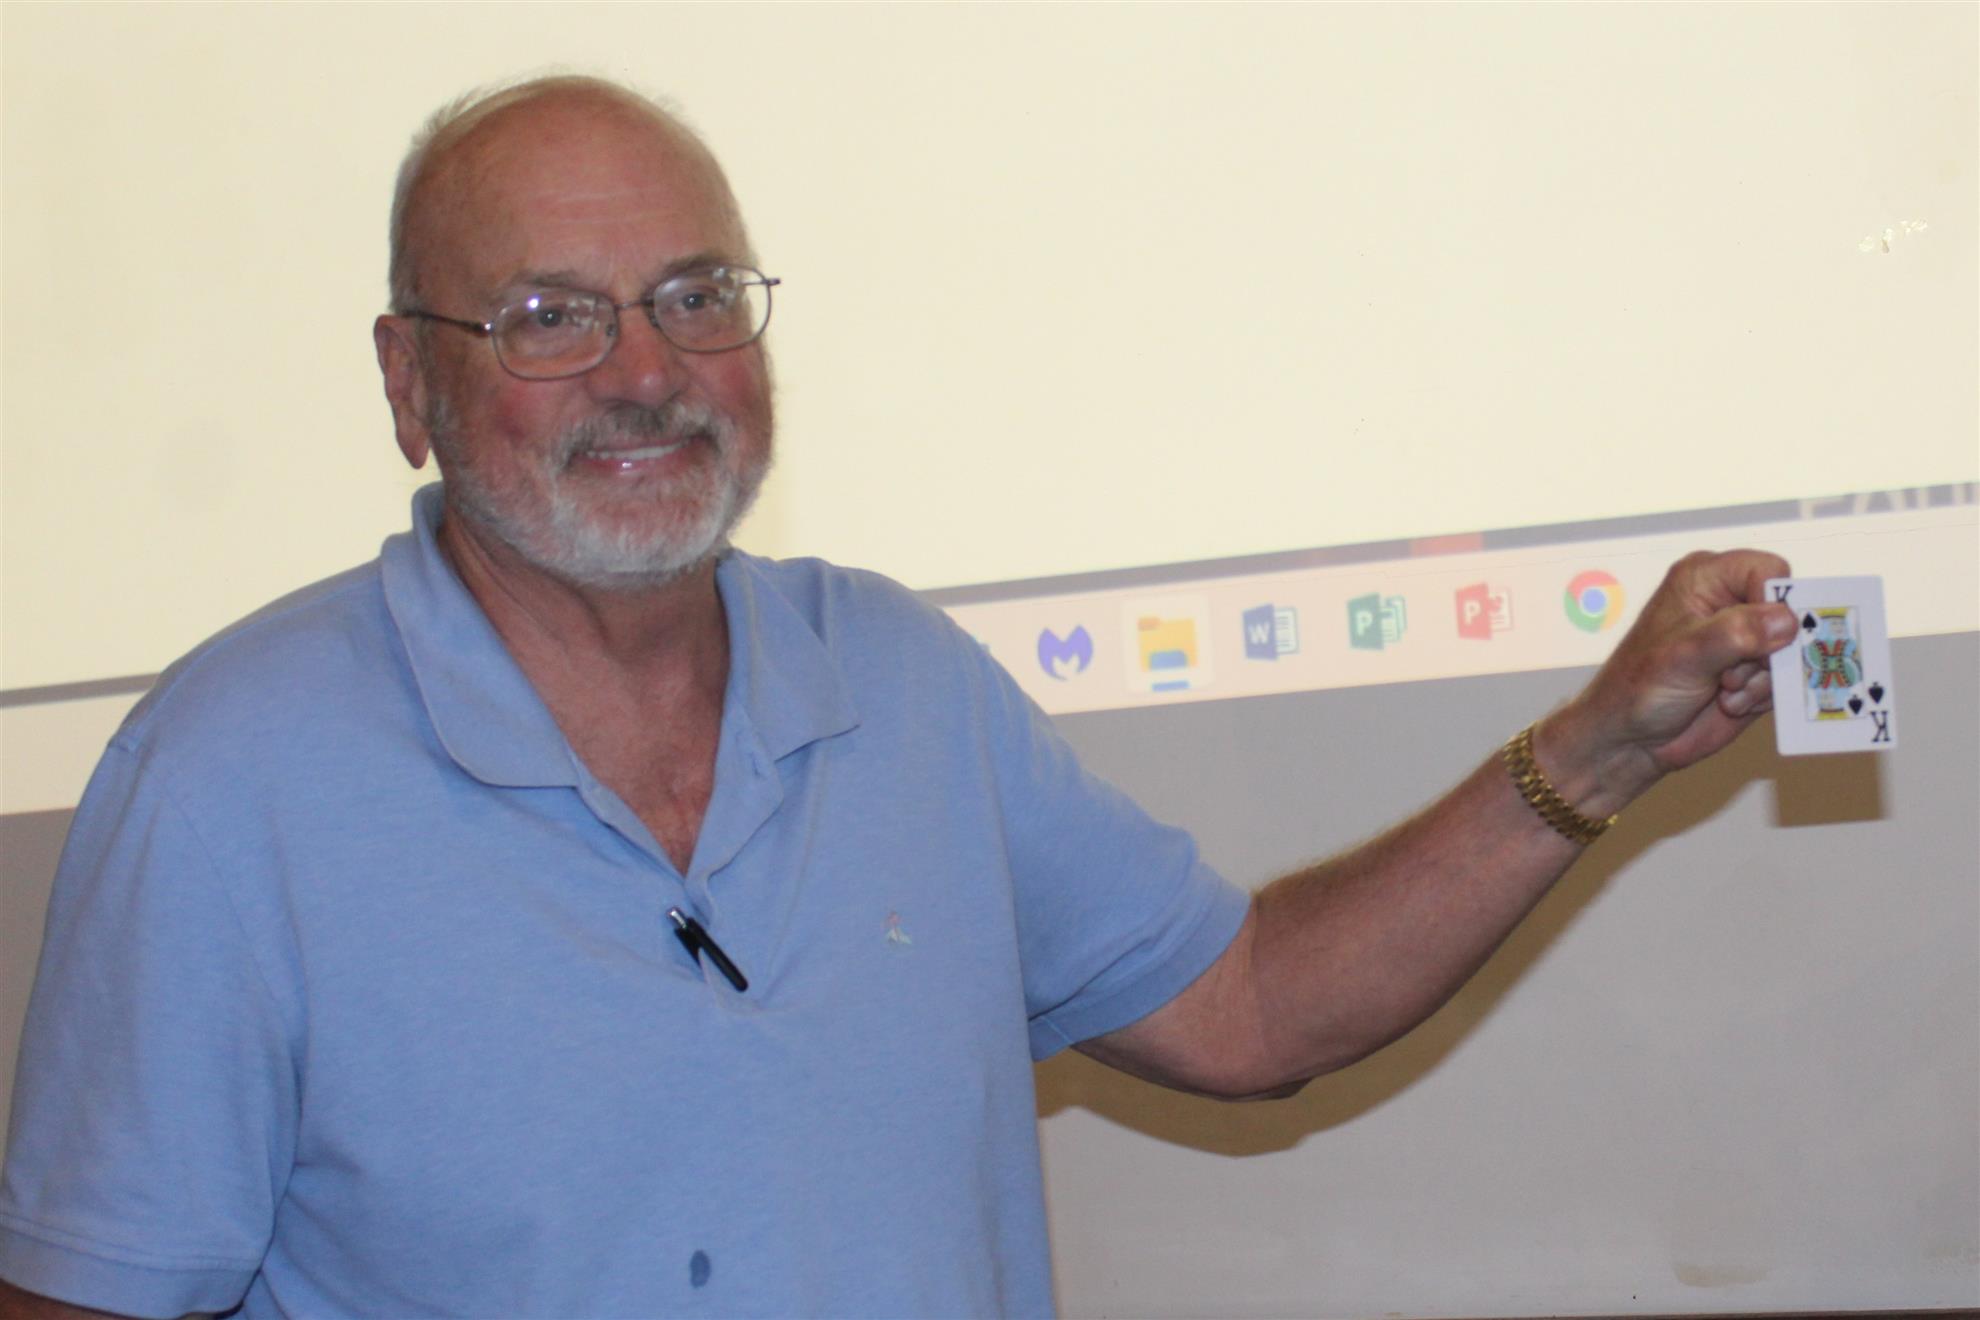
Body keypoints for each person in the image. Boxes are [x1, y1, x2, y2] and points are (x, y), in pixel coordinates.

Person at [0, 75, 1797, 1319]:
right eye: (548, 314)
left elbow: (1250, 1008)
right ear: (410, 384)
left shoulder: (906, 685)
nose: (644, 371)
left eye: (696, 296)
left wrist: (1598, 752)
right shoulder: (228, 779)